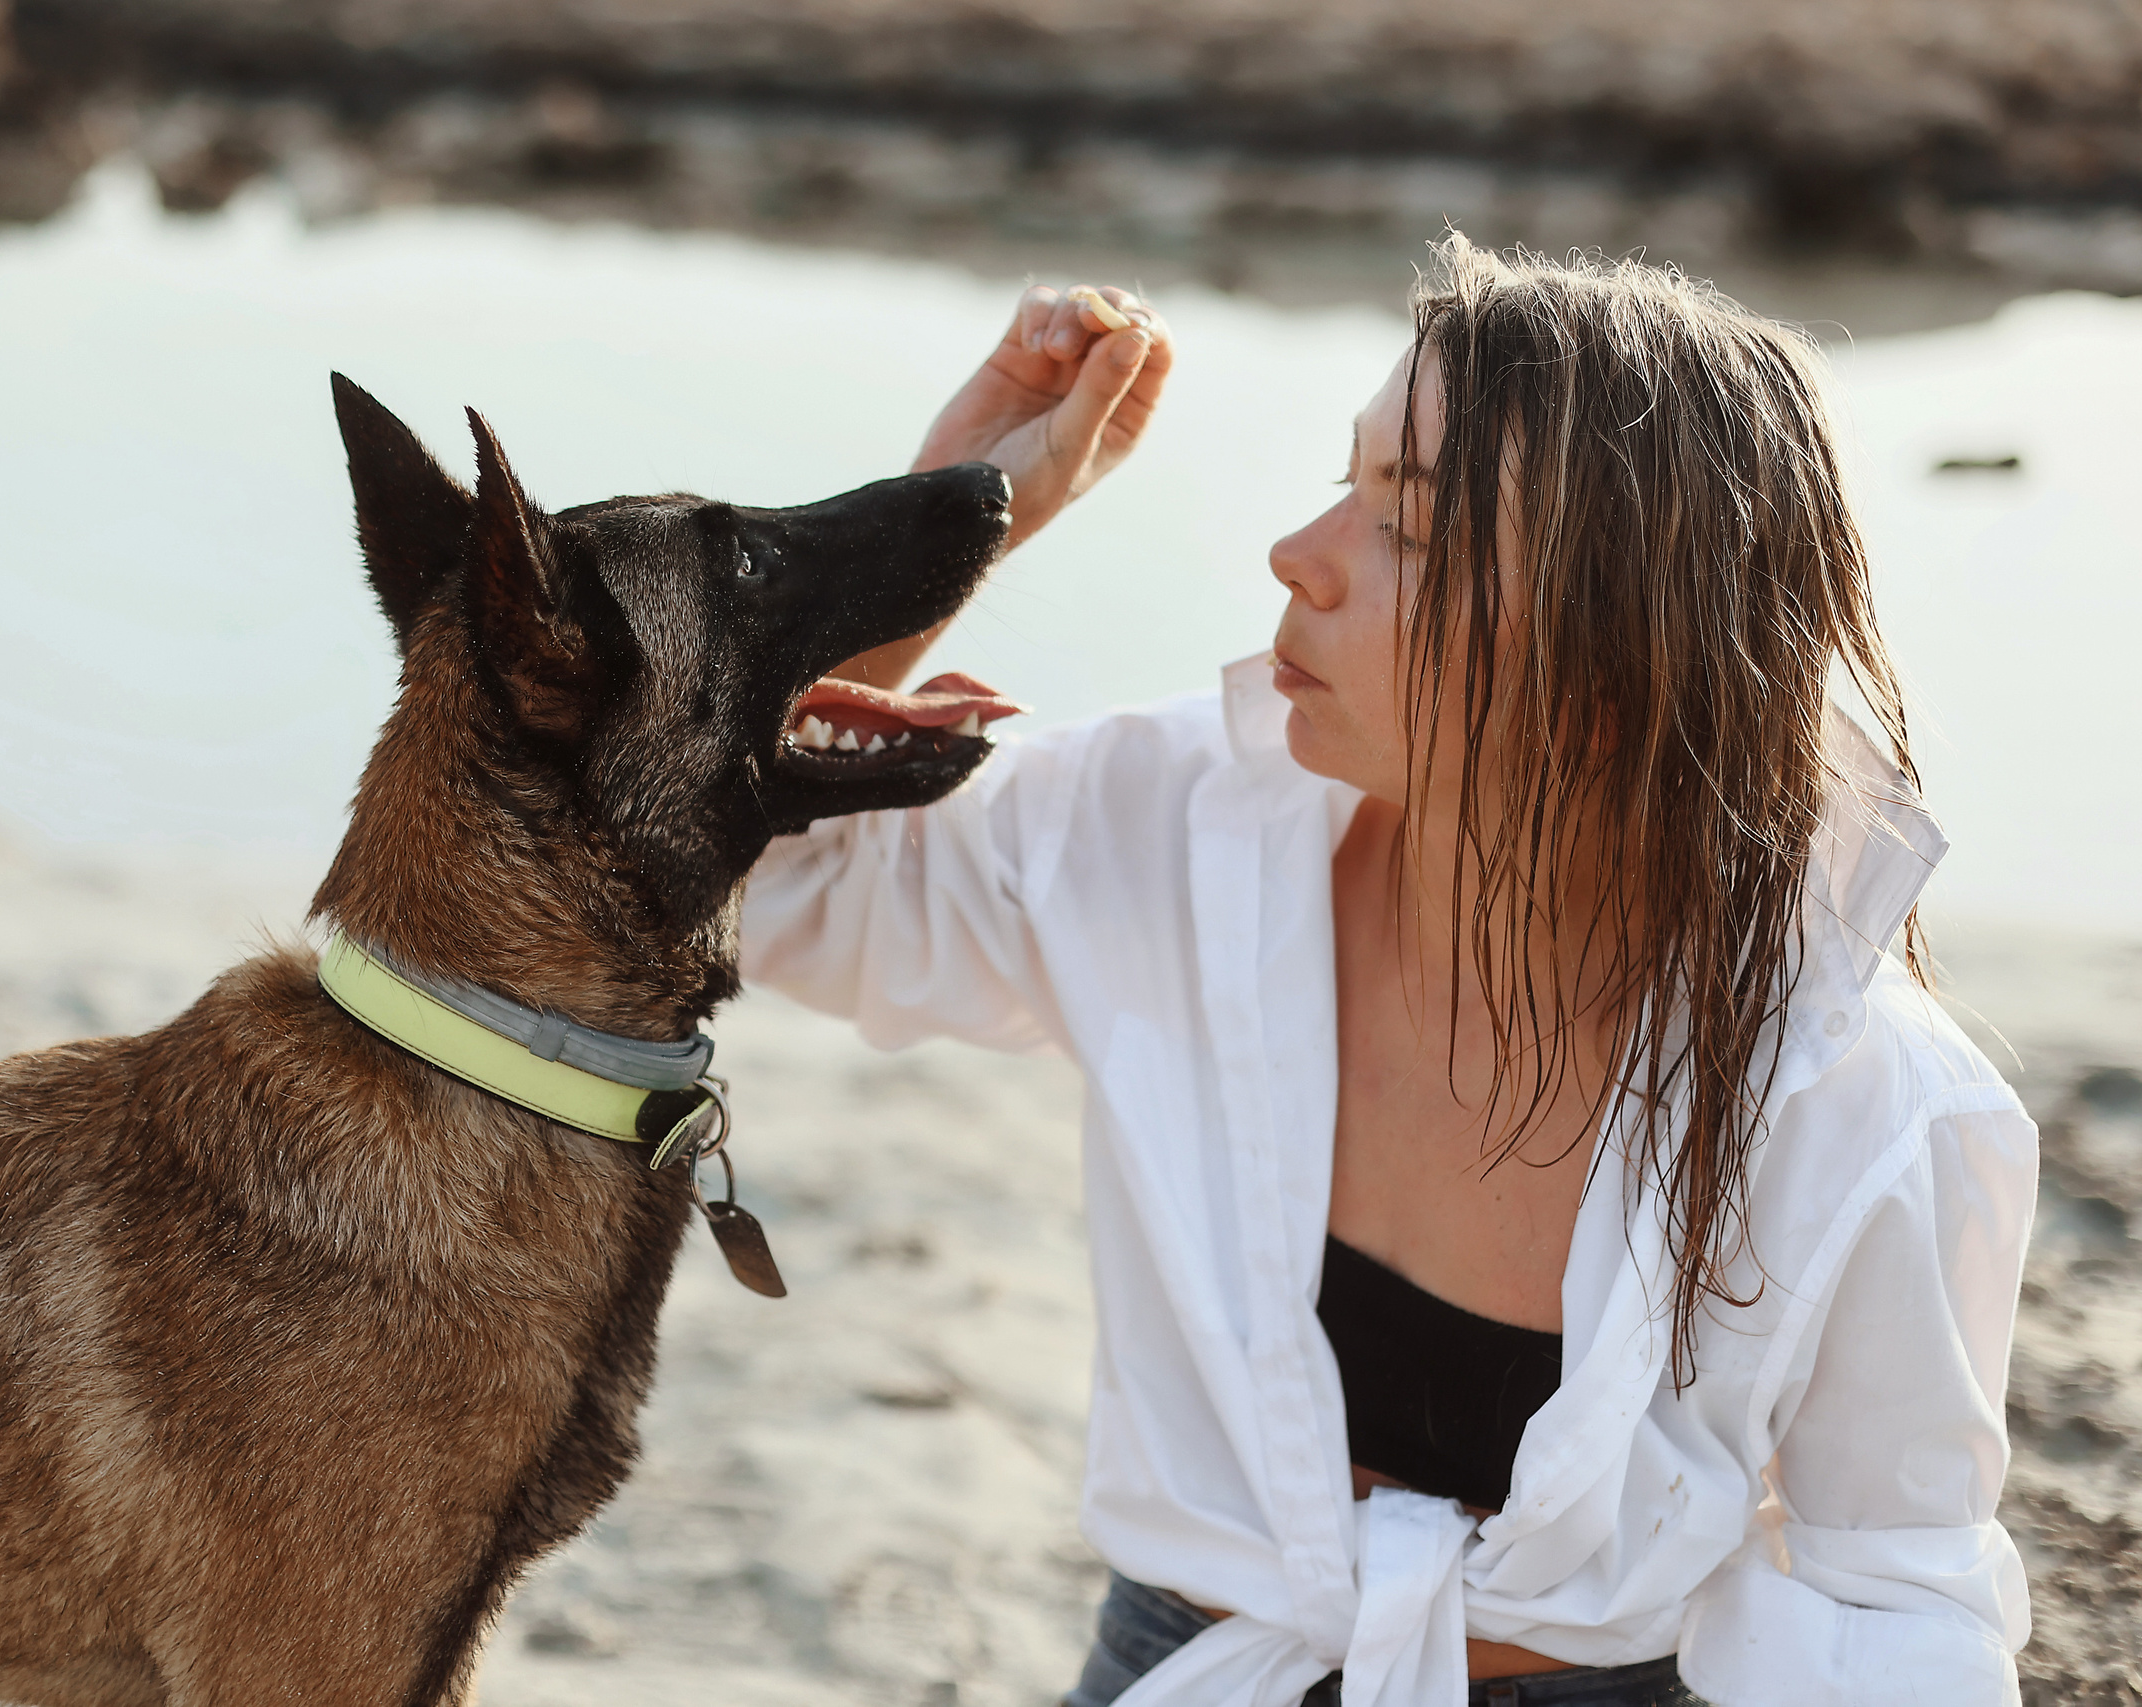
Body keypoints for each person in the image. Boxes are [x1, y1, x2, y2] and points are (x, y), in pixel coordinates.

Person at [739, 237, 2038, 1706]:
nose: (1298, 554)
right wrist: (937, 527)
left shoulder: (1862, 1098)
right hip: (1188, 1664)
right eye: (1346, 481)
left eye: (1408, 529)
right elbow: (758, 882)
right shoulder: (1178, 829)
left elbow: (1895, 1603)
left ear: (1606, 676)